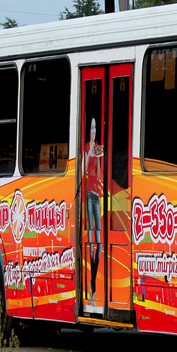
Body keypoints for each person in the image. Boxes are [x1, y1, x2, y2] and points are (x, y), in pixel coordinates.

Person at [84, 118, 103, 300]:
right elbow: (83, 171)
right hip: (88, 194)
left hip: (97, 195)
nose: (94, 130)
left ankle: (93, 283)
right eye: (92, 127)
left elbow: (99, 170)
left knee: (100, 241)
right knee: (91, 240)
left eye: (95, 128)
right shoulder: (86, 147)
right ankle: (92, 287)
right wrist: (89, 153)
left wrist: (96, 155)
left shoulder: (97, 147)